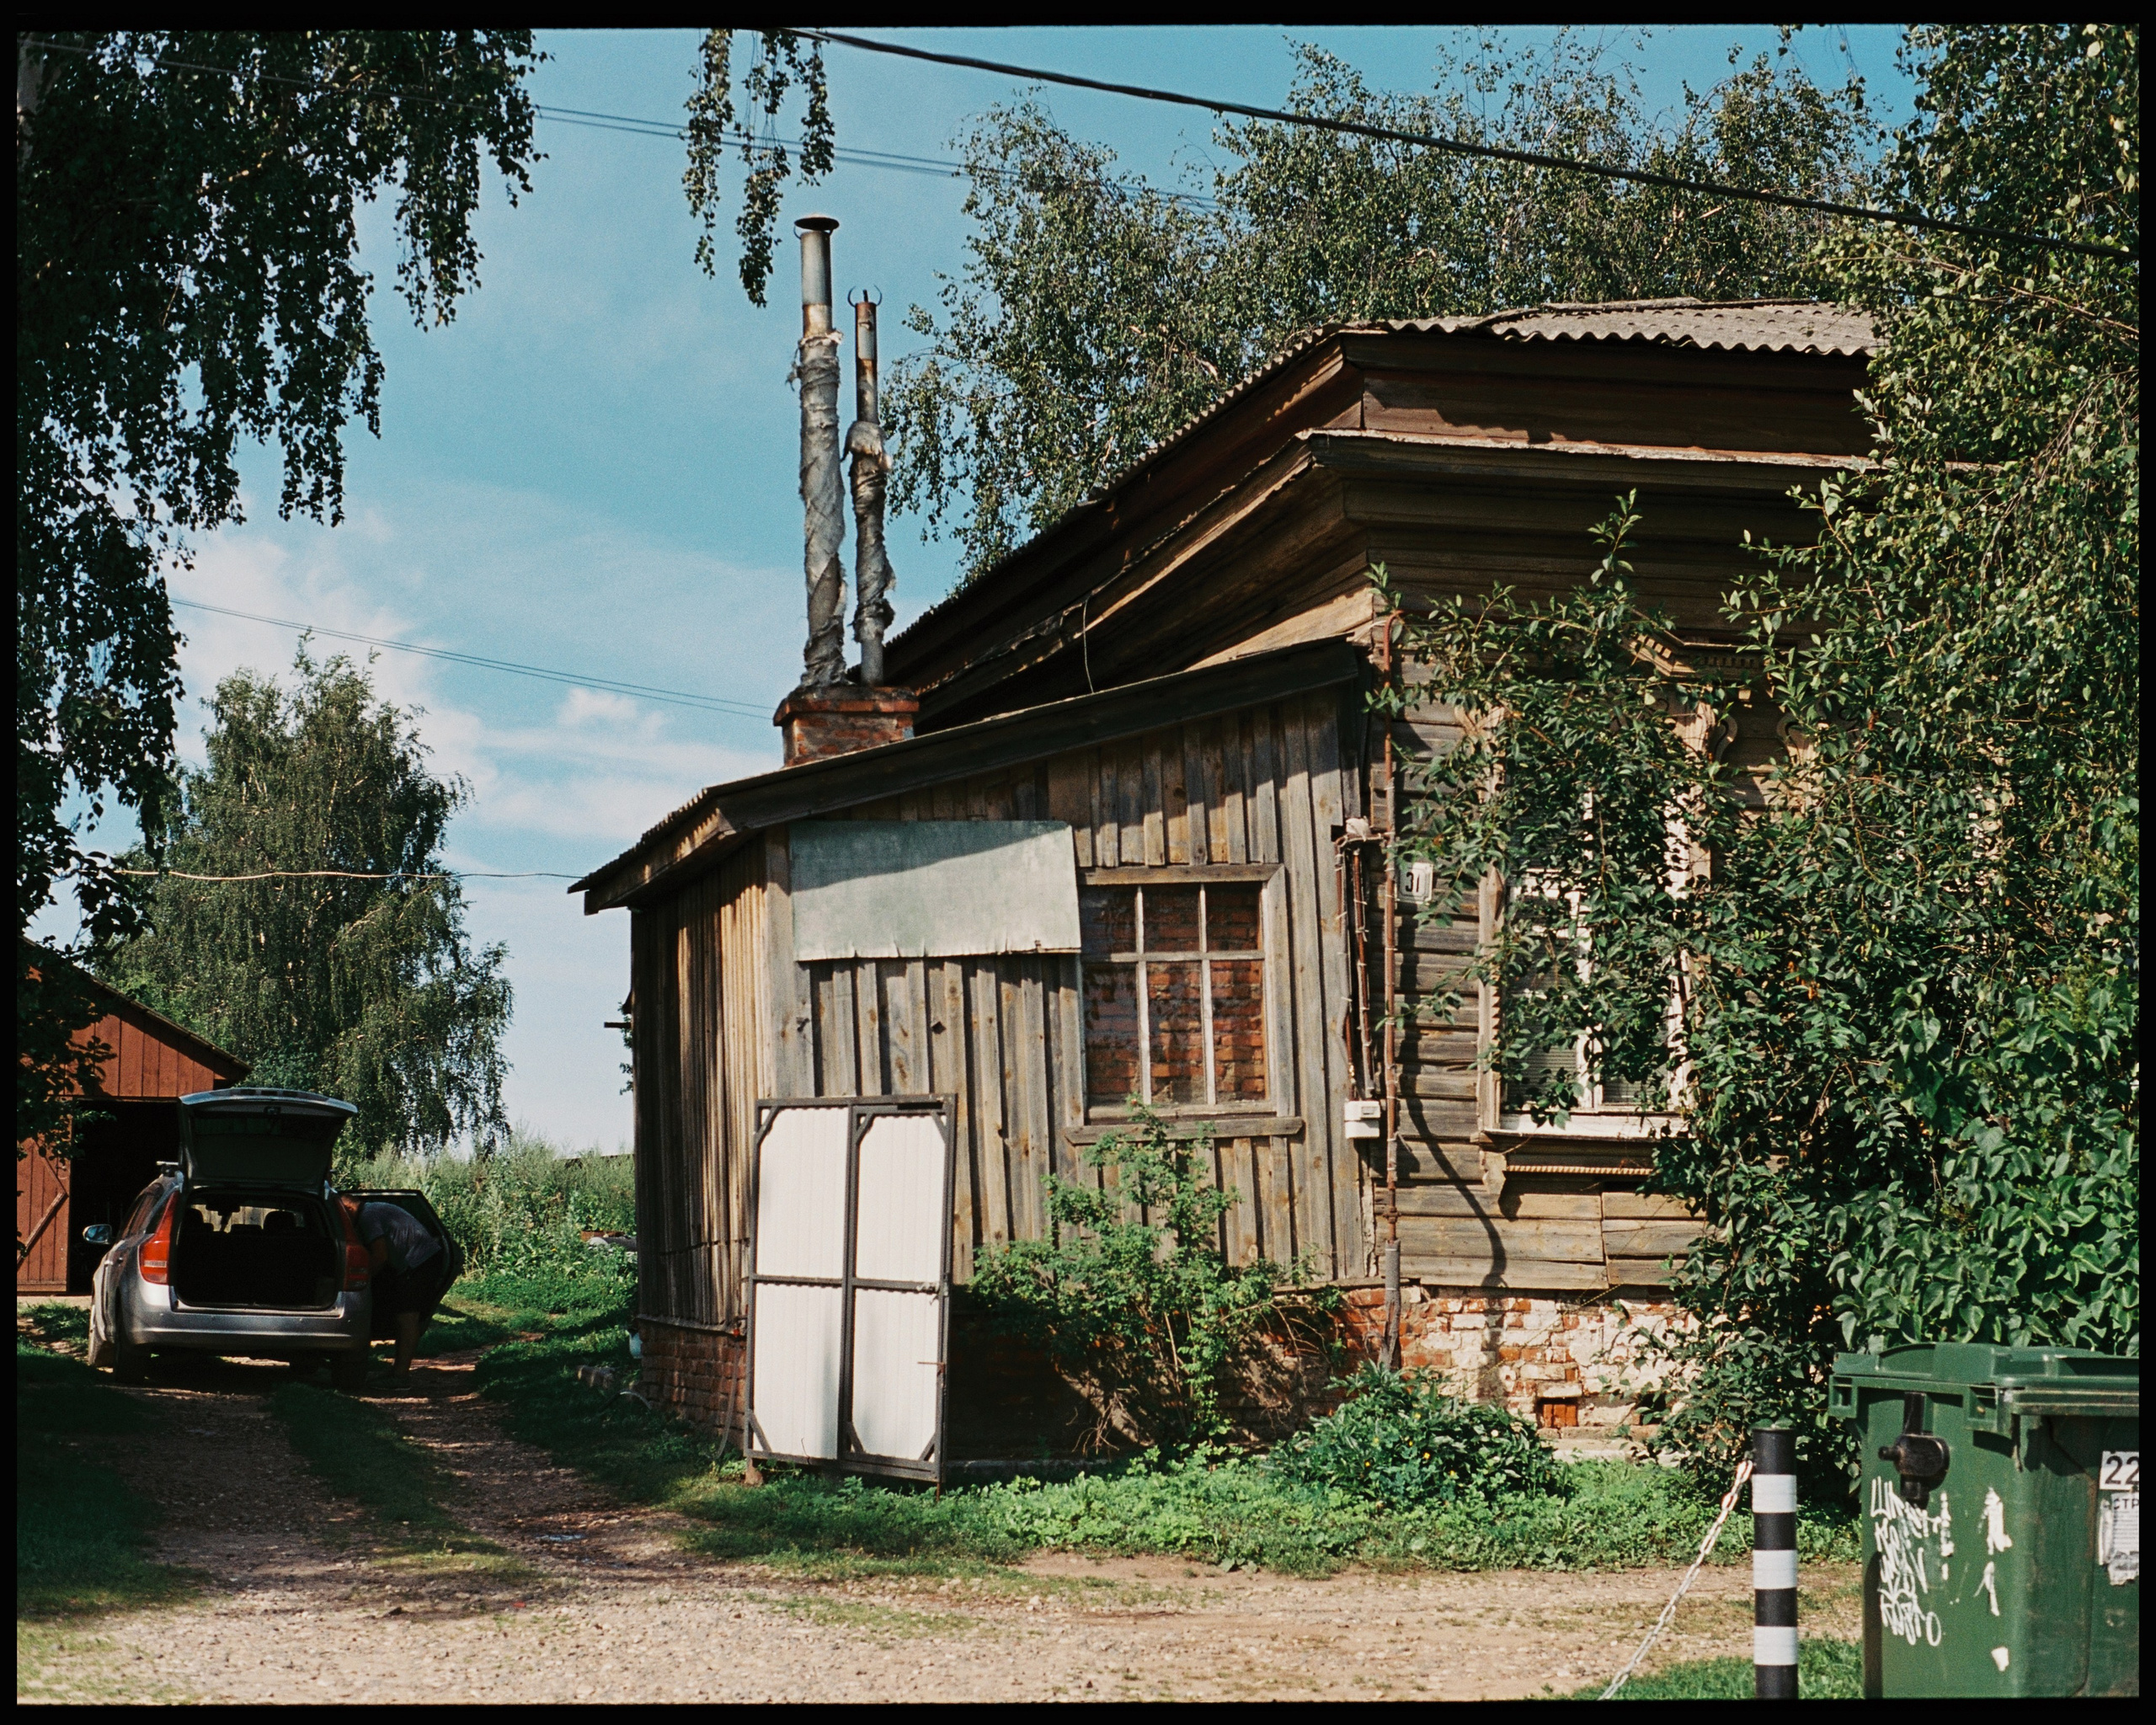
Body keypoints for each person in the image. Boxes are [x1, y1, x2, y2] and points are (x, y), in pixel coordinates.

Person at [356, 1200, 448, 1380]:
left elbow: (380, 1256)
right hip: (418, 1259)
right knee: (404, 1315)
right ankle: (398, 1370)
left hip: (420, 1260)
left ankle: (401, 1374)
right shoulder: (373, 1209)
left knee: (407, 1317)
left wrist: (363, 1281)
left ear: (350, 1208)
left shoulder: (367, 1216)